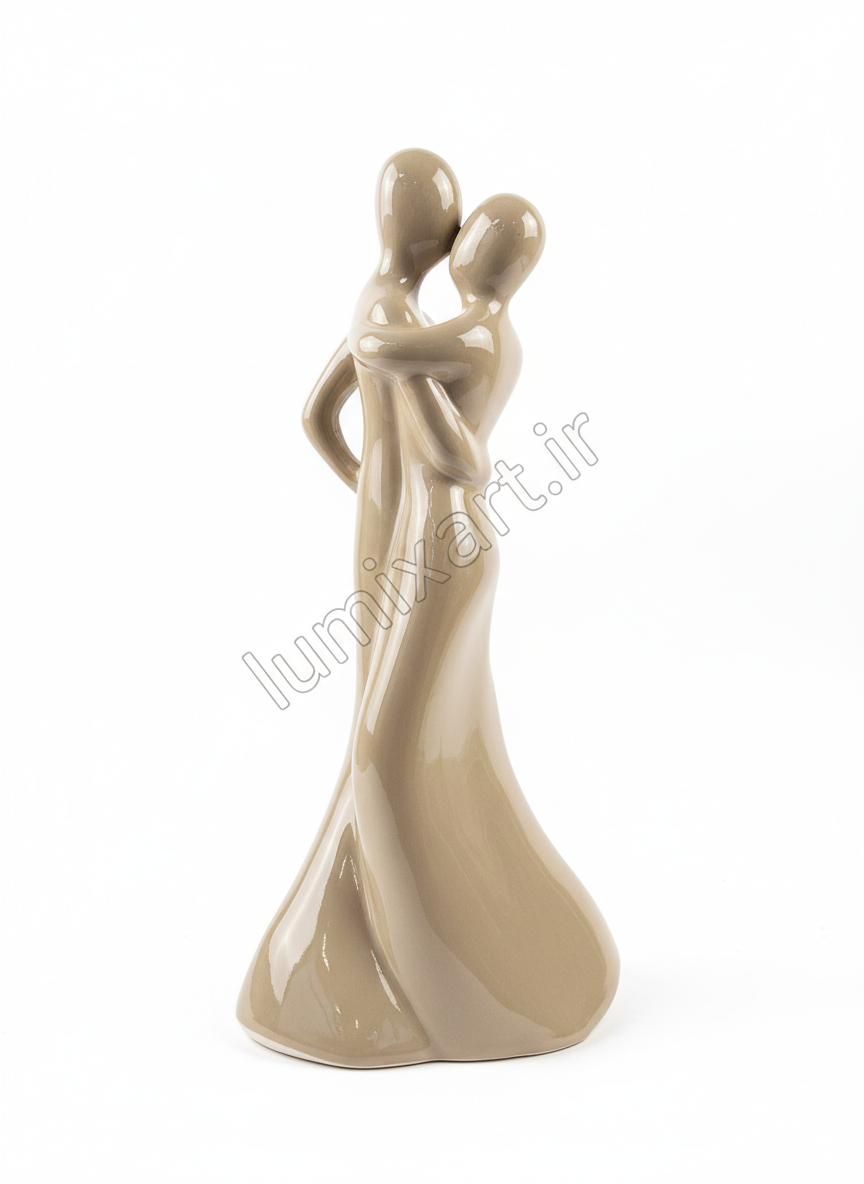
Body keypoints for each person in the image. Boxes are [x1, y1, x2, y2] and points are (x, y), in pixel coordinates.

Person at [236, 152, 619, 1067]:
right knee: (402, 739)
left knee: (385, 746)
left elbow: (461, 460)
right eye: (458, 228)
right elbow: (328, 411)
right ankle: (338, 954)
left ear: (496, 262)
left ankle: (452, 981)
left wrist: (387, 373)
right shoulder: (407, 317)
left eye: (478, 236)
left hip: (446, 548)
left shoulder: (475, 333)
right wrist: (378, 474)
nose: (462, 245)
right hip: (403, 531)